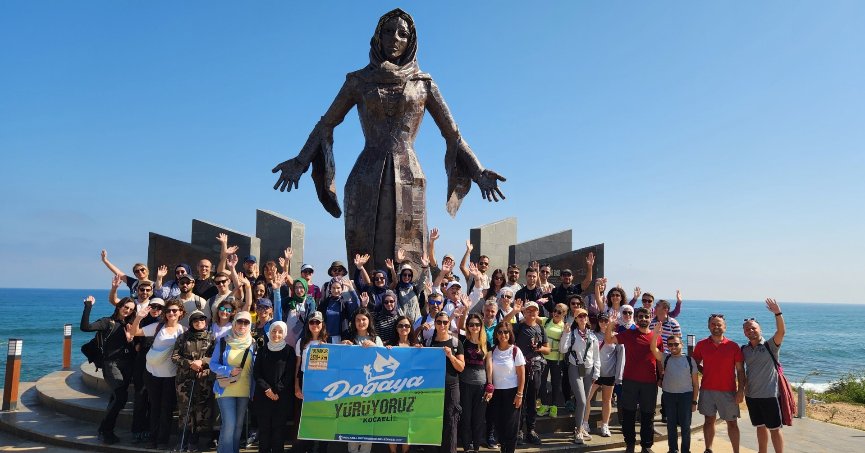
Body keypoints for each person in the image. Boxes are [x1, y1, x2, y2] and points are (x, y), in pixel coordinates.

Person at [272, 6, 507, 275]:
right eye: (388, 31)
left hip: (409, 174)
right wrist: (301, 162)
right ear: (378, 37)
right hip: (366, 175)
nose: (395, 38)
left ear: (411, 41)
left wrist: (477, 171)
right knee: (365, 252)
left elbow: (452, 134)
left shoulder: (423, 83)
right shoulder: (358, 81)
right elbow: (327, 123)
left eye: (402, 34)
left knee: (409, 257)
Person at [604, 307, 664, 453]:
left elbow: (660, 359)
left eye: (646, 316)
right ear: (636, 319)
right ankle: (630, 444)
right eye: (640, 317)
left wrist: (661, 376)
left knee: (647, 415)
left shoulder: (657, 337)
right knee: (629, 414)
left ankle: (646, 446)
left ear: (651, 318)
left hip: (650, 382)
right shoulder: (629, 334)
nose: (643, 319)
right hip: (630, 381)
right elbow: (608, 340)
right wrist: (611, 325)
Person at [129, 298, 186, 449]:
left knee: (166, 409)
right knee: (154, 407)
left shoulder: (184, 331)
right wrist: (139, 317)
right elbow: (134, 332)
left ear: (181, 312)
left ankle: (162, 440)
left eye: (175, 310)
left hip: (171, 376)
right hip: (152, 373)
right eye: (168, 311)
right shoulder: (157, 326)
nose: (171, 313)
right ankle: (152, 438)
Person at [80, 295, 135, 444]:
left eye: (131, 309)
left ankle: (105, 429)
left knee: (116, 398)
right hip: (111, 364)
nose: (128, 311)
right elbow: (85, 327)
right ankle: (106, 429)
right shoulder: (107, 322)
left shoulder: (130, 324)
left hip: (127, 364)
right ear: (119, 306)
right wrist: (88, 306)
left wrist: (131, 339)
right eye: (126, 307)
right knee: (121, 398)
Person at [692, 314, 746, 453]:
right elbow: (694, 364)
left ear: (725, 327)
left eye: (719, 324)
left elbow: (740, 370)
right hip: (707, 390)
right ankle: (708, 449)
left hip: (728, 391)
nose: (716, 327)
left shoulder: (733, 346)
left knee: (732, 423)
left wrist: (741, 391)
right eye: (713, 324)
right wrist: (706, 370)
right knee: (709, 421)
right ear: (709, 326)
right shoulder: (701, 345)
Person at [742, 299, 786, 453]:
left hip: (769, 395)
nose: (750, 331)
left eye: (753, 328)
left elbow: (781, 332)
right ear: (744, 333)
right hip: (752, 396)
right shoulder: (744, 350)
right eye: (747, 329)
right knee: (759, 427)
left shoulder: (770, 346)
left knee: (774, 428)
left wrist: (777, 313)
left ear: (760, 329)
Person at [209, 311, 255, 453]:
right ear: (234, 323)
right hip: (226, 388)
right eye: (239, 322)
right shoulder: (224, 341)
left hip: (244, 390)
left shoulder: (253, 343)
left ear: (250, 325)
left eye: (246, 322)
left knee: (238, 426)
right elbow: (212, 364)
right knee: (229, 424)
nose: (242, 325)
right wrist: (228, 370)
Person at [649, 323, 698, 453]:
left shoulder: (689, 360)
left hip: (686, 396)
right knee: (671, 426)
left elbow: (695, 384)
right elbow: (653, 349)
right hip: (669, 396)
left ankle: (685, 450)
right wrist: (655, 334)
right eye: (670, 345)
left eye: (676, 344)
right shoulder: (665, 358)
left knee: (685, 426)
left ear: (681, 344)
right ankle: (673, 450)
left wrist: (694, 401)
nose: (673, 347)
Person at [171, 309, 215, 451]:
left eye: (202, 320)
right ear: (191, 323)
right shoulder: (183, 337)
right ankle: (183, 439)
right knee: (185, 411)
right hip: (185, 381)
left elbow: (215, 357)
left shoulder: (211, 337)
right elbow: (175, 357)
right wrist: (190, 363)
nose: (199, 323)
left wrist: (202, 362)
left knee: (201, 411)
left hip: (203, 381)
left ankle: (195, 441)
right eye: (195, 320)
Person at [341, 308, 383, 453]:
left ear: (369, 321)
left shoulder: (376, 339)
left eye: (364, 319)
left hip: (370, 389)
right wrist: (341, 347)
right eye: (358, 320)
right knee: (352, 425)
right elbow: (340, 361)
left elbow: (385, 361)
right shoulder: (348, 338)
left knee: (367, 426)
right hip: (351, 389)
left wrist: (375, 347)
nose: (361, 322)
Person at [253, 321, 296, 453]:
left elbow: (289, 374)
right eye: (273, 331)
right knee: (264, 430)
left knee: (278, 430)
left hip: (281, 397)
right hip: (263, 396)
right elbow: (257, 373)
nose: (276, 334)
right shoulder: (262, 350)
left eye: (280, 331)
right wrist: (267, 389)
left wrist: (276, 390)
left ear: (284, 333)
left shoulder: (289, 351)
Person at [560, 308, 600, 444]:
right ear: (576, 319)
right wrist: (565, 334)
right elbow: (563, 349)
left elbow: (596, 357)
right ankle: (578, 430)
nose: (582, 318)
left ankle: (581, 427)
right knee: (582, 400)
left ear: (587, 318)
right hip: (575, 368)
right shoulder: (571, 334)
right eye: (579, 316)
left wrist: (597, 372)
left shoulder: (592, 336)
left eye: (584, 315)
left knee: (584, 401)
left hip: (589, 370)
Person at [426, 311, 465, 453]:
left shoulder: (456, 342)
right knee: (432, 419)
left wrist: (451, 356)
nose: (442, 325)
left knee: (451, 421)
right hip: (432, 388)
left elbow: (461, 367)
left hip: (451, 386)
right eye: (439, 322)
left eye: (445, 322)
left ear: (449, 323)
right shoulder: (429, 342)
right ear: (435, 324)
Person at [483, 322, 525, 453]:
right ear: (496, 334)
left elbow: (521, 374)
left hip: (512, 392)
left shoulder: (515, 350)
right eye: (500, 332)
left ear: (510, 334)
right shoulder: (492, 351)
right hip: (496, 394)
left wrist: (520, 394)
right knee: (499, 426)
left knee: (511, 428)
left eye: (506, 332)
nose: (503, 335)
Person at [582, 312, 624, 438]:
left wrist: (619, 376)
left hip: (609, 374)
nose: (604, 323)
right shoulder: (592, 335)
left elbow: (621, 358)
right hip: (594, 373)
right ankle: (584, 423)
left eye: (606, 321)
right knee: (587, 398)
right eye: (601, 321)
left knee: (607, 400)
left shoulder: (617, 337)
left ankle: (605, 425)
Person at [513, 300, 549, 445]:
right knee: (520, 399)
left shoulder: (541, 329)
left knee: (532, 401)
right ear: (524, 312)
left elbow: (548, 349)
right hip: (520, 368)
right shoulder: (518, 327)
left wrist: (538, 348)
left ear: (537, 312)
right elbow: (502, 331)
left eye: (534, 310)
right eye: (528, 310)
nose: (531, 313)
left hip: (536, 368)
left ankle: (531, 430)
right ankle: (519, 430)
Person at [294, 311, 330, 453]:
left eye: (318, 322)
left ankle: (321, 448)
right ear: (308, 324)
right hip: (305, 381)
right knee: (305, 417)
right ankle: (306, 447)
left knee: (322, 417)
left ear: (322, 324)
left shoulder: (330, 341)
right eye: (312, 322)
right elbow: (297, 365)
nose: (315, 325)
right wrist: (296, 386)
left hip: (324, 384)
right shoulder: (301, 342)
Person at [460, 313, 489, 453]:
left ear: (481, 326)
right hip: (465, 384)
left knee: (478, 419)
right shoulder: (463, 341)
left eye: (477, 324)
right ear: (467, 327)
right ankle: (466, 447)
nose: (474, 327)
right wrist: (464, 311)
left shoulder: (485, 343)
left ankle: (476, 447)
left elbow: (489, 365)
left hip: (482, 385)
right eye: (471, 324)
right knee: (466, 418)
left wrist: (490, 385)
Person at [538, 303, 567, 418]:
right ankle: (544, 404)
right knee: (542, 382)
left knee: (555, 383)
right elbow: (533, 316)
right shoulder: (546, 321)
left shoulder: (565, 326)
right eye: (555, 310)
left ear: (564, 314)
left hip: (557, 359)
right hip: (544, 357)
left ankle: (554, 406)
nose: (556, 313)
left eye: (559, 312)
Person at [318, 277, 360, 343]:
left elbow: (356, 305)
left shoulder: (345, 299)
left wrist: (351, 289)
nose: (336, 290)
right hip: (326, 338)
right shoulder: (325, 303)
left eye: (338, 288)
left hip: (343, 338)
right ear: (330, 289)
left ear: (342, 288)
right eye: (333, 288)